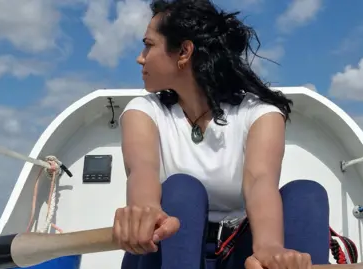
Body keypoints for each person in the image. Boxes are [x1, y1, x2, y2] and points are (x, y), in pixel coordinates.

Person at [113, 0, 330, 268]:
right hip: (167, 248)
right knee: (182, 189)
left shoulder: (259, 113)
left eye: (149, 44)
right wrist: (145, 211)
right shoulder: (144, 110)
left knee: (306, 195)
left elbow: (259, 180)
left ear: (184, 52)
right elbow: (141, 168)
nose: (140, 56)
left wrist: (269, 248)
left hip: (236, 251)